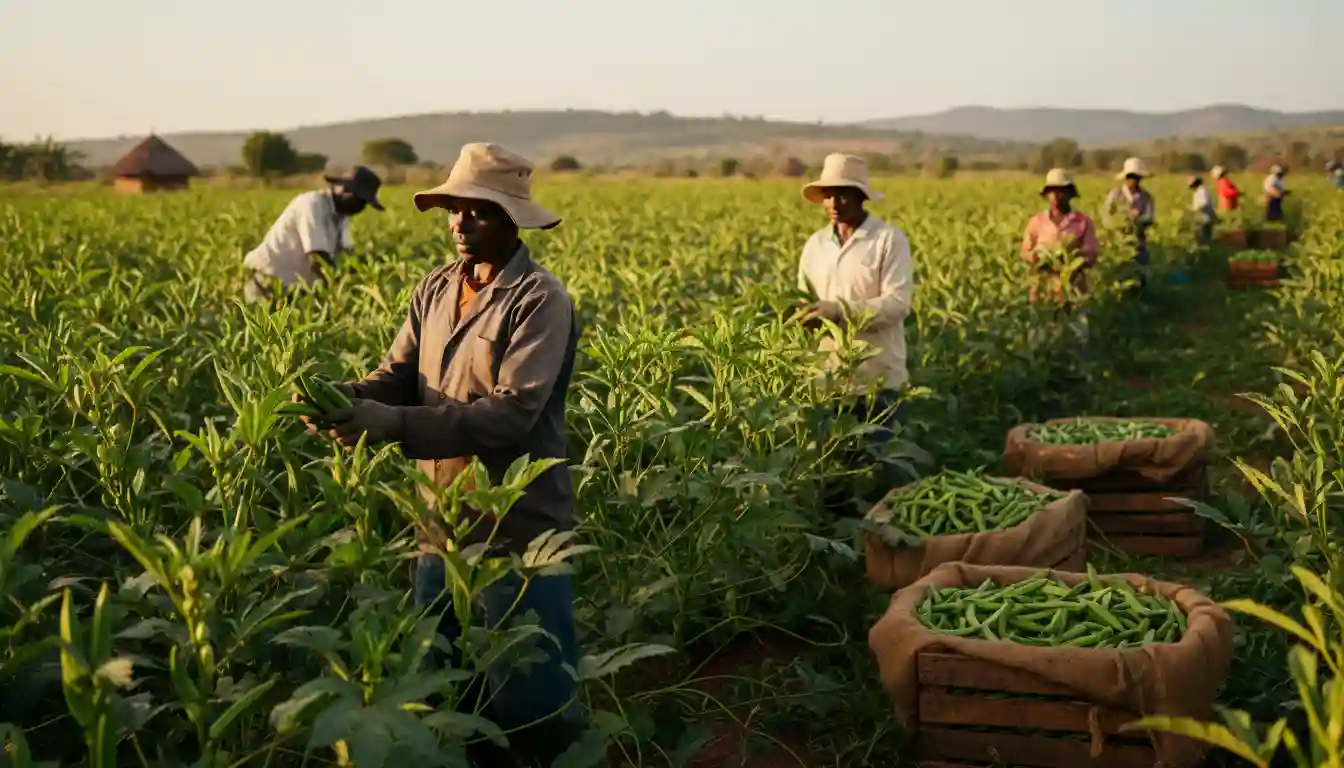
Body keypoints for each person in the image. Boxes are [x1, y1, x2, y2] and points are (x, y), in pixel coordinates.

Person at [308, 143, 582, 766]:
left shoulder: (540, 299)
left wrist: (393, 425)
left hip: (518, 529)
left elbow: (513, 411)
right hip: (439, 521)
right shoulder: (434, 288)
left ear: (513, 220)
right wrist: (347, 398)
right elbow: (397, 375)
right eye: (452, 209)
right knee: (442, 681)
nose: (458, 222)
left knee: (532, 692)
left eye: (476, 211)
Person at [796, 153, 915, 510]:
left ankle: (892, 550)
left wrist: (840, 311)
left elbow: (897, 303)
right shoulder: (814, 246)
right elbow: (805, 297)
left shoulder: (888, 240)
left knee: (884, 472)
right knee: (834, 474)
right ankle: (843, 552)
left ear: (861, 197)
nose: (834, 203)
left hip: (877, 377)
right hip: (829, 378)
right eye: (829, 195)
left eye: (843, 195)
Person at [242, 166, 384, 304]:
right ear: (346, 191)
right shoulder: (313, 204)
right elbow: (316, 256)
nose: (361, 208)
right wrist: (341, 286)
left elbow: (348, 256)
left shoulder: (341, 217)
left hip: (291, 291)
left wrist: (372, 271)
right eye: (361, 202)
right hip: (265, 285)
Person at [1020, 168, 1099, 305]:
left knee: (1076, 322)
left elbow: (1091, 255)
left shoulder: (1083, 221)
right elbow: (1025, 251)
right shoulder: (1037, 221)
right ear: (1046, 195)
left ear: (1070, 193)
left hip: (1074, 288)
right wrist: (1036, 257)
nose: (1055, 195)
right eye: (1051, 191)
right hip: (1044, 288)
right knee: (1046, 322)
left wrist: (1072, 263)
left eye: (1061, 190)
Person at [1104, 157, 1156, 289]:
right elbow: (1106, 217)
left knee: (1140, 271)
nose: (1133, 180)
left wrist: (1137, 220)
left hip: (1139, 240)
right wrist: (1120, 221)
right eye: (1130, 176)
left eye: (1136, 176)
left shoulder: (1146, 197)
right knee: (1121, 273)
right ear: (1125, 177)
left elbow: (1150, 217)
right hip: (1119, 241)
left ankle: (1140, 297)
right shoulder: (1115, 195)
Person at [1189, 175, 1215, 246]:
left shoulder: (1202, 191)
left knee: (1203, 239)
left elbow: (1204, 204)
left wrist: (1194, 208)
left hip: (1204, 218)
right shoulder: (1201, 191)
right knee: (1204, 238)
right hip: (1204, 218)